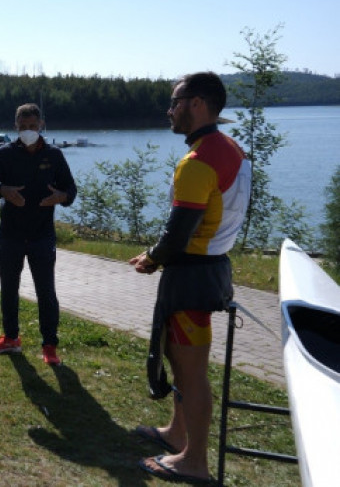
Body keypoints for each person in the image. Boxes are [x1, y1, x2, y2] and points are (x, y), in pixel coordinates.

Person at [130, 72, 251, 483]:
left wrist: (150, 258)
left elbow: (177, 233)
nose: (170, 109)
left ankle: (194, 460)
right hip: (210, 268)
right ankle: (177, 431)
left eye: (175, 100)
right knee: (180, 362)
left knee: (191, 369)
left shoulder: (197, 162)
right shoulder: (230, 148)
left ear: (197, 103)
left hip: (193, 276)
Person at [0, 103, 77, 365]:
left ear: (41, 125)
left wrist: (62, 197)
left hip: (42, 236)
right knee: (9, 289)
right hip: (10, 234)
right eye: (23, 127)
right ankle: (11, 338)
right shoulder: (4, 154)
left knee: (46, 292)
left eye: (33, 126)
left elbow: (71, 190)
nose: (28, 131)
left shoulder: (54, 155)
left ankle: (50, 345)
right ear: (15, 127)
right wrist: (2, 190)